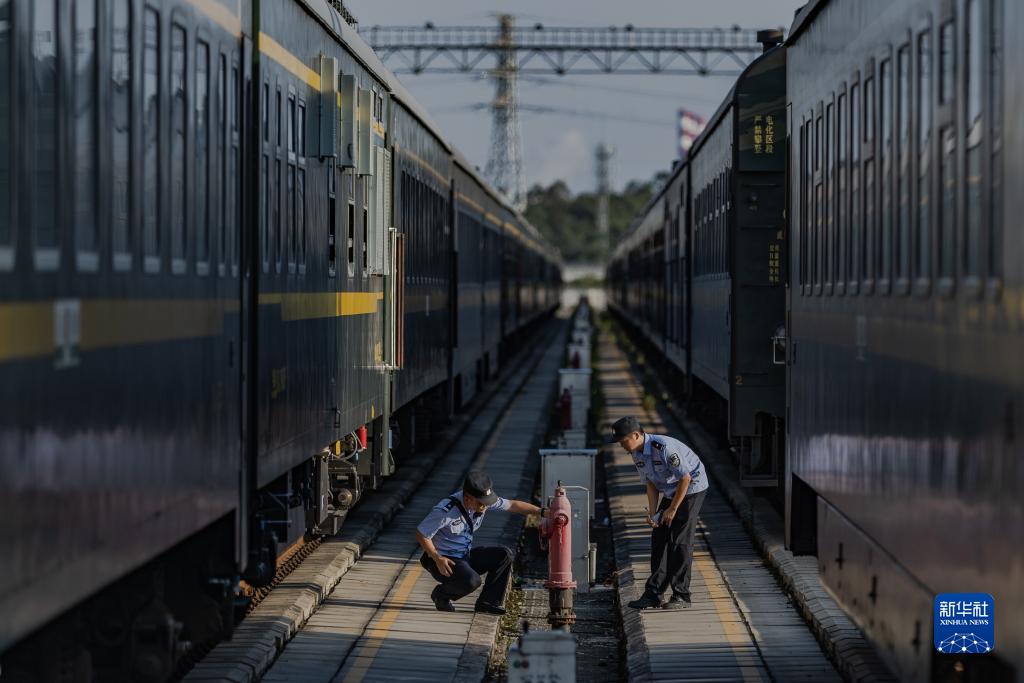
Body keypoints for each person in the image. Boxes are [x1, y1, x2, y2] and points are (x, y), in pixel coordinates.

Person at [606, 416, 709, 610]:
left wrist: (672, 509)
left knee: (679, 540)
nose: (621, 446)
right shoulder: (636, 452)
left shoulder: (664, 448)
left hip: (692, 487)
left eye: (623, 441)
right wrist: (654, 514)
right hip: (672, 488)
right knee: (659, 538)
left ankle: (681, 595)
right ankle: (653, 593)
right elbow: (651, 484)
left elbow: (685, 479)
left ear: (636, 435)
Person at [415, 470, 541, 614]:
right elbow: (421, 533)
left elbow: (513, 505)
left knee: (504, 555)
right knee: (472, 581)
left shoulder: (483, 502)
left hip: (464, 557)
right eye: (481, 504)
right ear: (468, 499)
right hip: (444, 562)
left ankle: (488, 602)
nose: (484, 507)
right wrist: (436, 557)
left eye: (486, 504)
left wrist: (542, 512)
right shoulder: (446, 510)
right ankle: (441, 594)